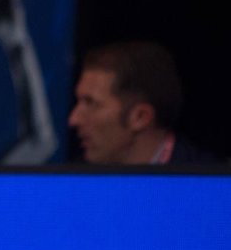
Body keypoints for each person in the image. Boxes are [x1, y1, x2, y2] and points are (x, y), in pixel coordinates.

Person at [69, 41, 221, 165]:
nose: (73, 120)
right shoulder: (75, 182)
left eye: (91, 103)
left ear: (140, 117)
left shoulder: (211, 185)